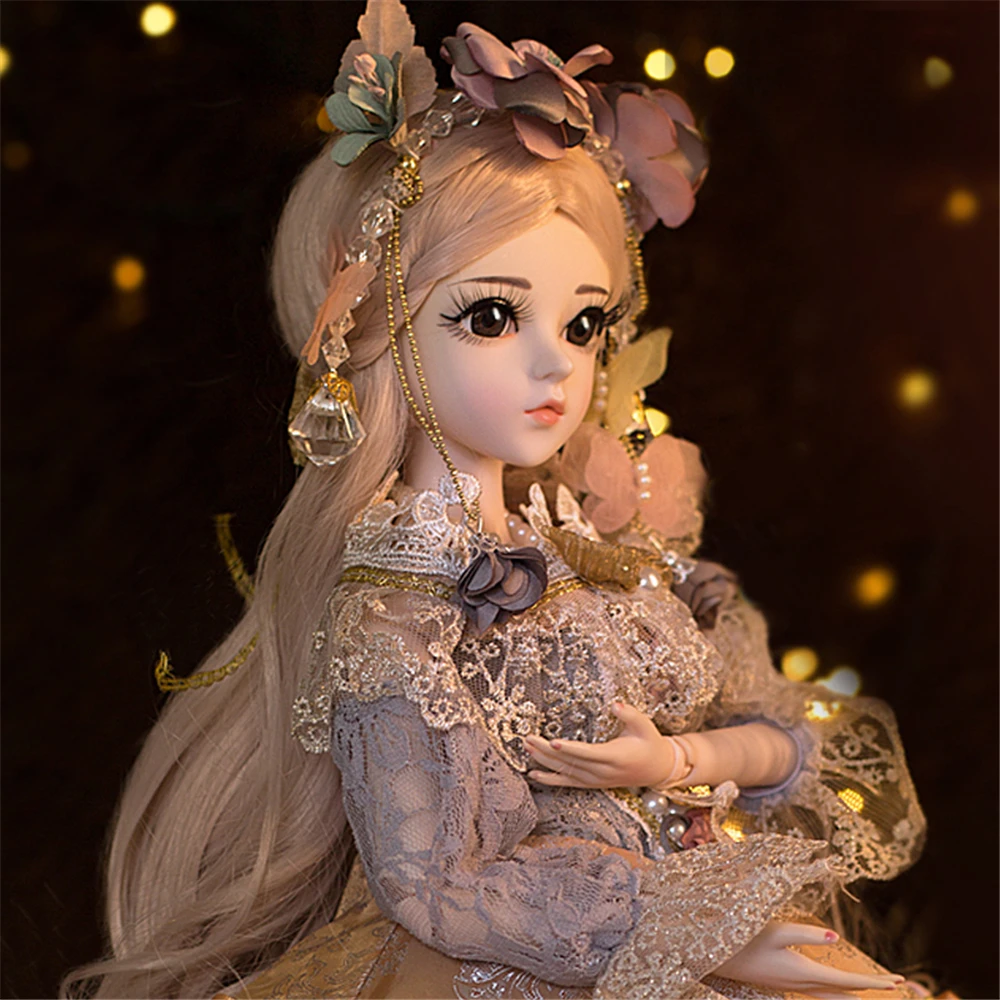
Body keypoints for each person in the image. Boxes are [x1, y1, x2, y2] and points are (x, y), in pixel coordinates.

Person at [62, 3, 927, 998]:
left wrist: (680, 760)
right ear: (376, 330)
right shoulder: (393, 607)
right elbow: (437, 886)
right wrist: (703, 929)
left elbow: (786, 733)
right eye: (491, 315)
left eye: (583, 323)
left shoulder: (602, 544)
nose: (554, 362)